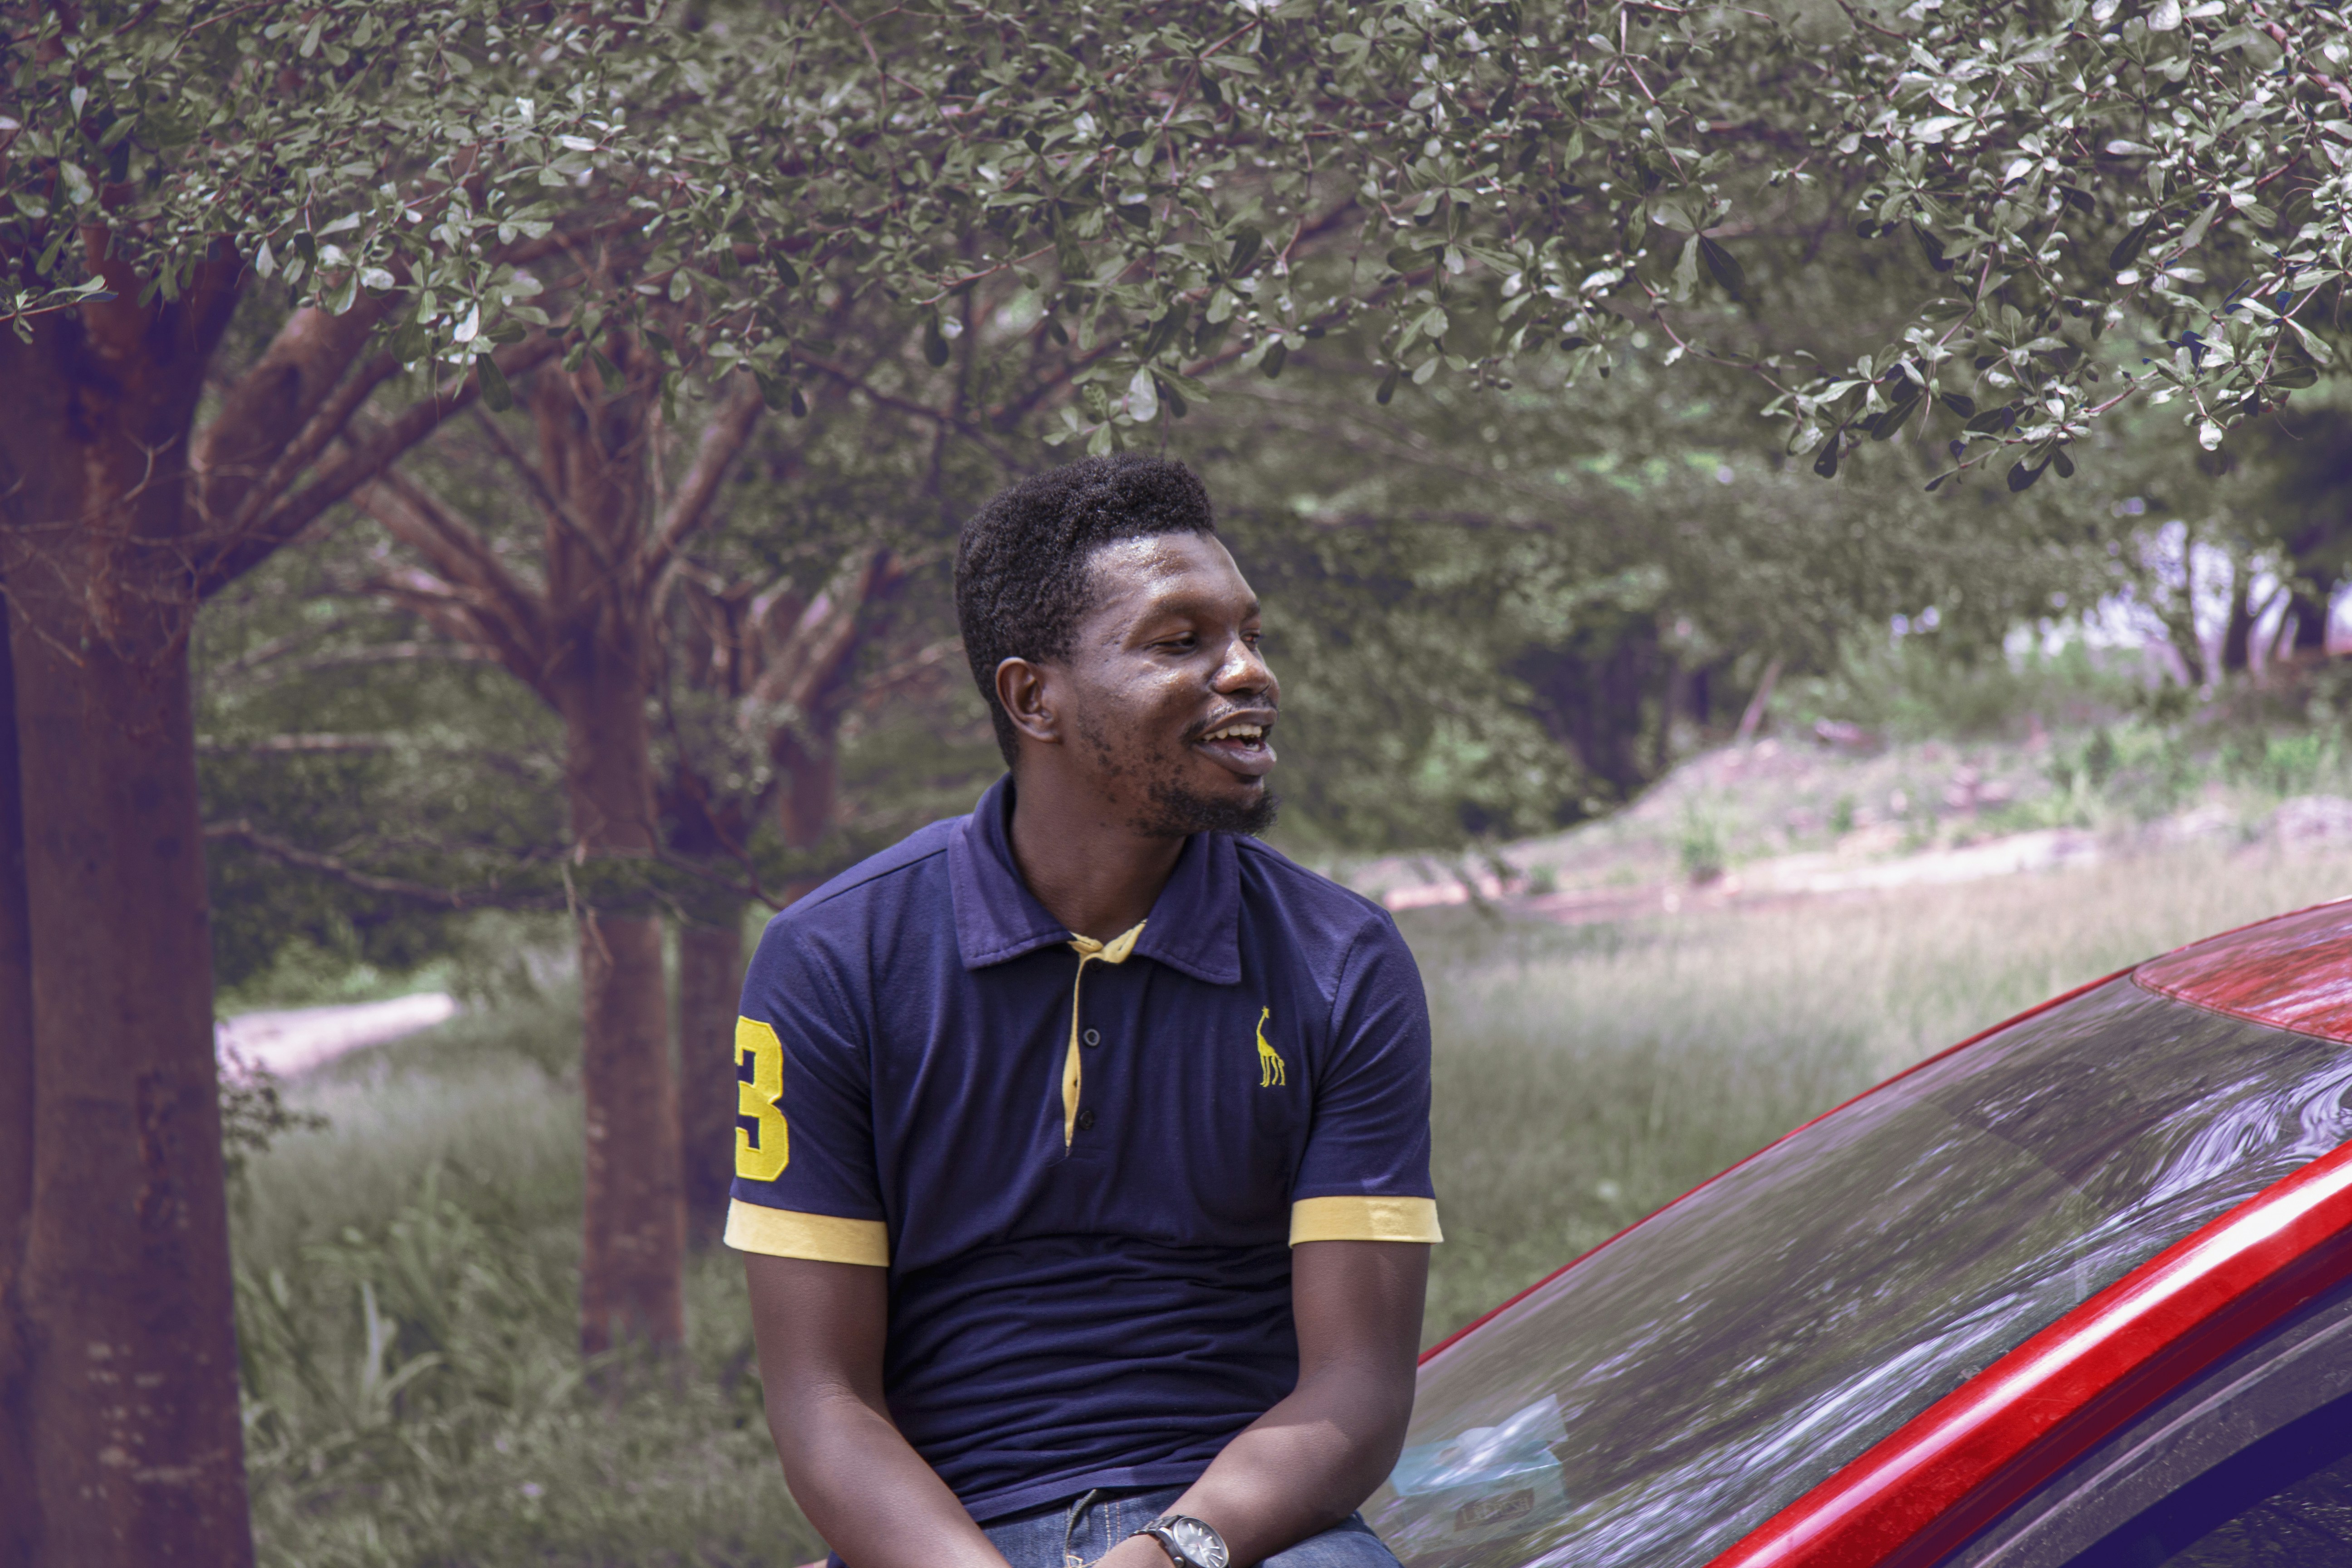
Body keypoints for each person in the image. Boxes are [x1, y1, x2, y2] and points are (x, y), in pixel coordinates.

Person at [730, 455, 1441, 1568]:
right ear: (1034, 698)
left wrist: (1174, 1552)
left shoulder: (1341, 962)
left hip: (1240, 1536)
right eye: (1180, 641)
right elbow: (822, 1404)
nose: (1247, 671)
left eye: (1249, 632)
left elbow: (1355, 1387)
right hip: (937, 1540)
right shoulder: (829, 962)